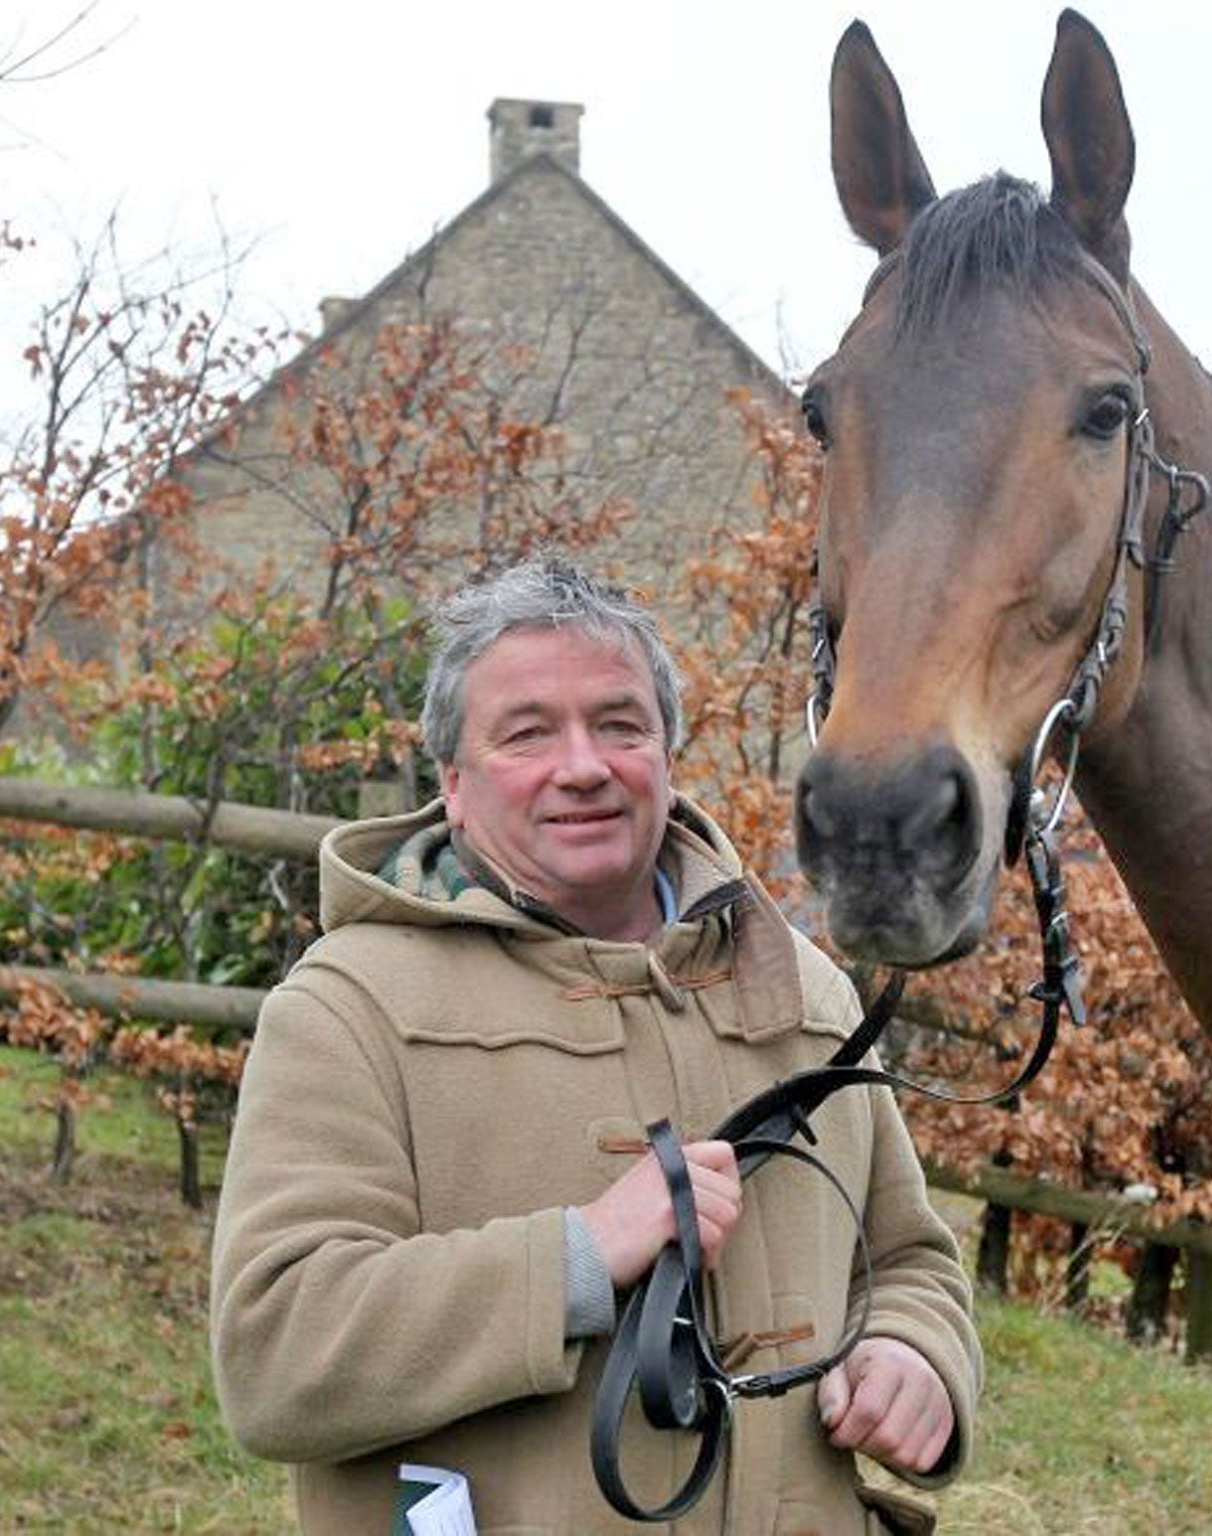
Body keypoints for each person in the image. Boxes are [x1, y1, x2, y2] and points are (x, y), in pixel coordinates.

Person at [211, 555, 979, 1535]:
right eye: (527, 733)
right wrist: (578, 1256)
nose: (583, 765)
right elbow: (274, 1355)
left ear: (664, 754)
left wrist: (917, 1356)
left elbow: (906, 1258)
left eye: (620, 725)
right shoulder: (351, 1008)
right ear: (452, 784)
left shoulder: (803, 989)